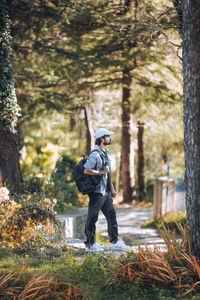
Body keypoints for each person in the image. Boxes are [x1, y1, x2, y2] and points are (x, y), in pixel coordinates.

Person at [84, 128, 129, 252]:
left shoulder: (106, 152)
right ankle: (90, 244)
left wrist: (112, 189)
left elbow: (108, 174)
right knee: (92, 217)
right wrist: (101, 171)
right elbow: (86, 169)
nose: (110, 138)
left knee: (111, 216)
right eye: (108, 136)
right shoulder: (95, 154)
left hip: (106, 192)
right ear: (102, 139)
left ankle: (114, 242)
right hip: (97, 192)